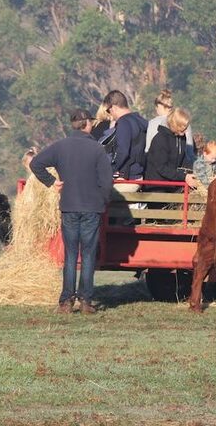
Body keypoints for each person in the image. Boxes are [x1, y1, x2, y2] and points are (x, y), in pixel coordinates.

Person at [29, 108, 113, 315]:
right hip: (92, 208)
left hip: (68, 207)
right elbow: (107, 182)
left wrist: (52, 182)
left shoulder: (60, 147)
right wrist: (103, 202)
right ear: (87, 124)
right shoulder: (97, 149)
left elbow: (35, 163)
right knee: (88, 255)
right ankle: (86, 301)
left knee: (70, 255)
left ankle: (66, 302)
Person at [144, 107, 198, 190]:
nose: (185, 130)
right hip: (157, 186)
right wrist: (184, 177)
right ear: (174, 124)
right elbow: (161, 168)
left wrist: (191, 173)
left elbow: (183, 162)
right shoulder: (160, 139)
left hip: (173, 183)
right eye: (182, 126)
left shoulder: (182, 138)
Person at [102, 90, 148, 183]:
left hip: (127, 176)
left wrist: (113, 168)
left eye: (108, 111)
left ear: (113, 107)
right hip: (139, 173)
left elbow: (123, 151)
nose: (110, 115)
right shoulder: (140, 121)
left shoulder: (124, 123)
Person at [145, 89, 195, 162]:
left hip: (157, 166)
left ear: (158, 106)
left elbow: (148, 149)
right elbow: (189, 151)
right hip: (181, 166)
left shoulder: (153, 123)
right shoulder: (182, 121)